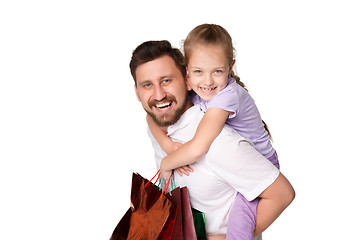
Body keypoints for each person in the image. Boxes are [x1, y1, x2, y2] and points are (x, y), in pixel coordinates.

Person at [130, 40, 295, 239]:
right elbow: (151, 118)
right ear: (137, 93)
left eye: (166, 81)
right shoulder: (160, 126)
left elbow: (282, 194)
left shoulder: (218, 142)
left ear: (187, 80)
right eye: (147, 85)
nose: (158, 95)